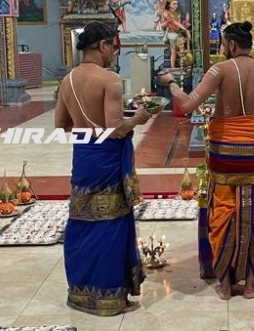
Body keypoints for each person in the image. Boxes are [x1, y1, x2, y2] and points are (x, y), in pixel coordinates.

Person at [158, 21, 254, 300]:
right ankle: (251, 285)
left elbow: (187, 105)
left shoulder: (220, 70)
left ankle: (225, 285)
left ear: (232, 45)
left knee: (223, 212)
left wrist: (171, 83)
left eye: (222, 44)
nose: (221, 49)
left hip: (224, 156)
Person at [55, 21, 151, 315]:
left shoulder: (67, 80)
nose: (114, 54)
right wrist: (138, 118)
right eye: (113, 47)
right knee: (111, 223)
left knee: (83, 221)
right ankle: (110, 298)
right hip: (107, 158)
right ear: (102, 45)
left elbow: (62, 125)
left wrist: (89, 127)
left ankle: (81, 293)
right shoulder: (110, 80)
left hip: (84, 157)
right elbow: (115, 129)